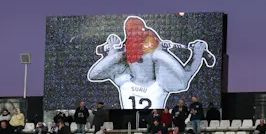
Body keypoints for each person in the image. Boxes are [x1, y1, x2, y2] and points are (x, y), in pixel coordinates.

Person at [87, 16, 215, 110]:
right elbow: (184, 77)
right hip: (146, 120)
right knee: (183, 77)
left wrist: (114, 53)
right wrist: (196, 55)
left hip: (135, 122)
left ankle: (198, 53)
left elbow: (95, 73)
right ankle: (199, 52)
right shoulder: (160, 84)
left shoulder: (124, 80)